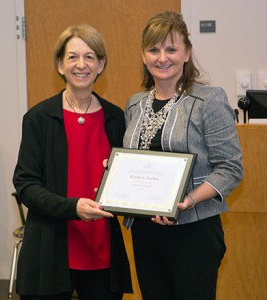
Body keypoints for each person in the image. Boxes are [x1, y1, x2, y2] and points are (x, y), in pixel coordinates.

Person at [123, 11, 243, 300]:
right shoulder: (134, 104)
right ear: (143, 55)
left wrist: (188, 201)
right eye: (153, 49)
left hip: (194, 232)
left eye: (171, 49)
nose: (162, 57)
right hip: (145, 233)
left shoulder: (208, 100)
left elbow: (230, 168)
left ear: (187, 53)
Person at [13, 24, 132, 300]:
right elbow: (25, 185)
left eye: (90, 57)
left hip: (101, 248)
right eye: (72, 57)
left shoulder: (115, 118)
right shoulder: (38, 118)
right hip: (50, 249)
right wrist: (72, 207)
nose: (82, 65)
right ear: (60, 65)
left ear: (101, 64)